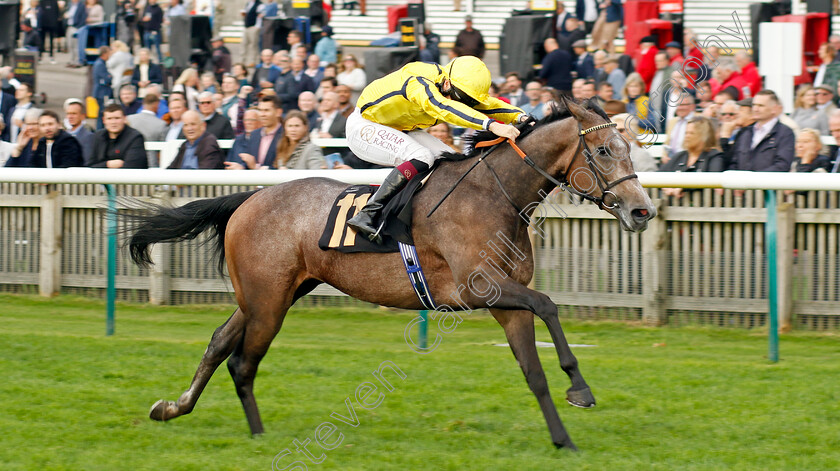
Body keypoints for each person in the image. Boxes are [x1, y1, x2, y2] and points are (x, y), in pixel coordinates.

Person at [345, 56, 526, 243]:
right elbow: (443, 107)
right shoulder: (418, 81)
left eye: (467, 101)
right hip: (364, 126)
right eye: (460, 98)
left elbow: (489, 105)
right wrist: (491, 125)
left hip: (399, 127)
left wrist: (521, 117)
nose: (462, 103)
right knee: (422, 156)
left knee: (456, 161)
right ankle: (368, 213)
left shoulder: (454, 85)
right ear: (446, 82)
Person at [728, 90, 795, 172]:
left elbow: (782, 165)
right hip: (743, 184)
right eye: (754, 105)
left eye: (761, 106)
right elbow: (734, 163)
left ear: (774, 109)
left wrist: (754, 179)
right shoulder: (745, 132)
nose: (756, 109)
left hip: (768, 184)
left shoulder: (785, 133)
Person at [659, 117, 724, 197]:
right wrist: (665, 188)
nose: (687, 136)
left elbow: (712, 180)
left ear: (703, 136)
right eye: (686, 133)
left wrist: (683, 188)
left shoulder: (714, 156)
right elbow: (657, 177)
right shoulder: (679, 156)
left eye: (691, 133)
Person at [234, 94, 284, 169]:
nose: (262, 115)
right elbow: (249, 162)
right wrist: (241, 167)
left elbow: (285, 167)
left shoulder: (286, 135)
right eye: (260, 110)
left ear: (278, 112)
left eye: (266, 110)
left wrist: (257, 167)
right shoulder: (254, 134)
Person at [89, 104, 147, 168]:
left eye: (117, 118)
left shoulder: (135, 137)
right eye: (109, 119)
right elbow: (89, 165)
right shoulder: (98, 136)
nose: (113, 122)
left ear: (124, 119)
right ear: (104, 120)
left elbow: (132, 166)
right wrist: (108, 164)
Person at [127, 93, 168, 167]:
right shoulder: (161, 124)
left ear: (143, 104)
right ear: (156, 104)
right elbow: (163, 151)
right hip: (151, 164)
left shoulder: (129, 119)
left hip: (130, 162)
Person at [663, 94, 696, 161]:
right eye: (678, 105)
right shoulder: (672, 121)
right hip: (670, 160)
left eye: (683, 105)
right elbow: (667, 143)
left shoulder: (698, 120)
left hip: (687, 160)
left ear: (692, 106)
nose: (680, 108)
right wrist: (664, 156)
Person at [64, 98, 95, 165]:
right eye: (68, 114)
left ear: (83, 116)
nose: (70, 117)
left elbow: (87, 161)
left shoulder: (88, 136)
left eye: (74, 113)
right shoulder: (64, 134)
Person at [241, 0, 264, 67]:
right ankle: (243, 61)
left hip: (253, 27)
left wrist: (257, 27)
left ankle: (252, 61)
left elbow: (260, 16)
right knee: (244, 44)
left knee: (253, 45)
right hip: (247, 26)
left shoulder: (259, 4)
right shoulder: (248, 3)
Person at [65, 0, 88, 68]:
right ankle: (72, 60)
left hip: (76, 27)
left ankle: (77, 61)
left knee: (76, 45)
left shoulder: (81, 6)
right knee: (70, 45)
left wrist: (78, 27)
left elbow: (83, 17)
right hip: (69, 26)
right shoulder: (69, 5)